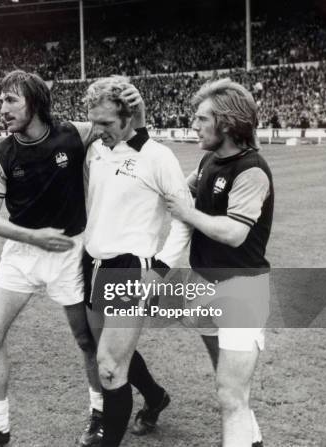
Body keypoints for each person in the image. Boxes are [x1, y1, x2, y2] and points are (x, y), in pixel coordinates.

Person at [0, 70, 143, 447]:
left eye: (11, 100)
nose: (2, 109)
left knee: (86, 340)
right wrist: (33, 237)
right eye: (1, 101)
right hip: (22, 252)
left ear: (35, 102)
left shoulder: (73, 134)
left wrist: (135, 106)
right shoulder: (0, 153)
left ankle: (99, 416)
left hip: (70, 250)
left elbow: (122, 131)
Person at [82, 76, 193, 447]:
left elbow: (184, 219)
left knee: (111, 368)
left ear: (129, 118)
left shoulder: (157, 157)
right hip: (93, 264)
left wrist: (158, 270)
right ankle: (156, 396)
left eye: (107, 124)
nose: (97, 131)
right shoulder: (95, 150)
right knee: (108, 353)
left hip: (133, 269)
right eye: (93, 122)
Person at [165, 78, 273, 447]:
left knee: (229, 394)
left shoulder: (252, 170)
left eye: (200, 119)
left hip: (241, 289)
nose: (193, 126)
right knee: (227, 382)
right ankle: (252, 438)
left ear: (226, 123)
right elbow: (181, 191)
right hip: (202, 284)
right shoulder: (209, 159)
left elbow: (233, 233)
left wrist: (185, 211)